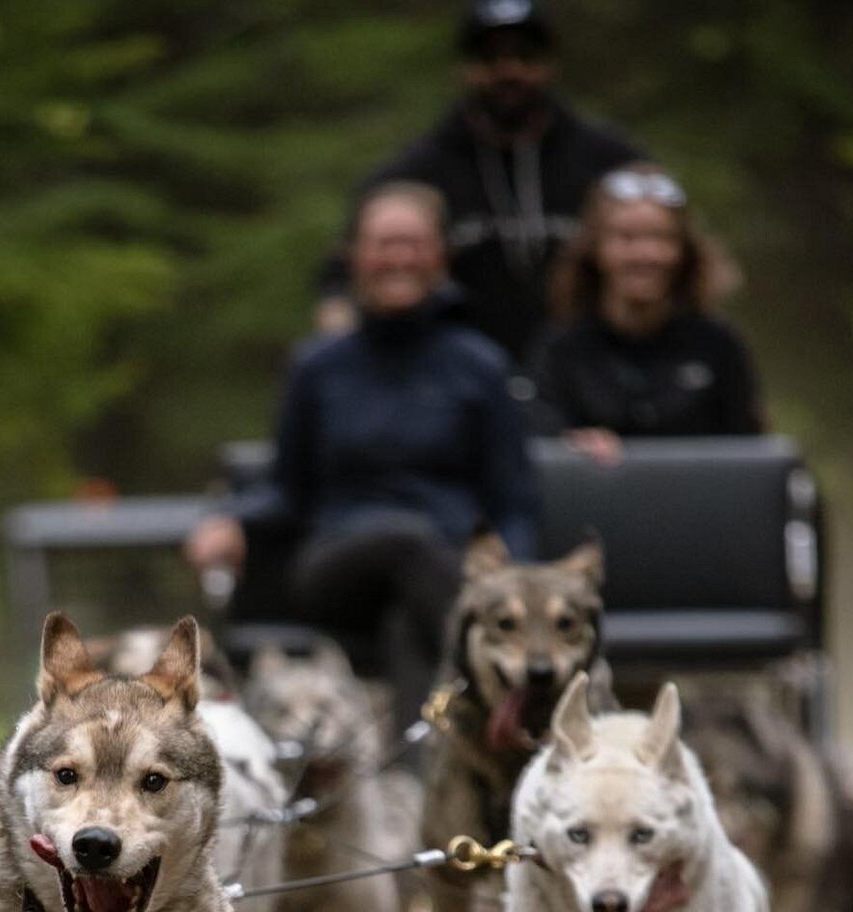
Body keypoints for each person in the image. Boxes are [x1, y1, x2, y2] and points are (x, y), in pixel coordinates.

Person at [185, 182, 537, 735]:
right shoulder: (318, 368)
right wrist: (234, 519)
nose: (398, 257)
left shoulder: (480, 366)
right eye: (383, 243)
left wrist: (515, 581)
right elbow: (289, 490)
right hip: (336, 566)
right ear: (354, 257)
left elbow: (511, 499)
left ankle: (419, 794)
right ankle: (503, 661)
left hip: (434, 580)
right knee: (407, 541)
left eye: (413, 243)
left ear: (439, 257)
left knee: (407, 626)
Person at [314, 0, 646, 364]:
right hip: (456, 382)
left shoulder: (608, 162)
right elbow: (341, 281)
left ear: (550, 63)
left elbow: (671, 251)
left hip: (590, 379)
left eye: (525, 55)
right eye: (491, 58)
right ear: (466, 68)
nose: (510, 70)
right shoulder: (417, 172)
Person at [528, 164, 763, 464]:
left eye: (662, 238)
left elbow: (751, 451)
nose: (646, 255)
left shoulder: (717, 345)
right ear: (596, 248)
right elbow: (537, 440)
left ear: (684, 251)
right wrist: (571, 444)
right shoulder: (560, 348)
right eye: (627, 238)